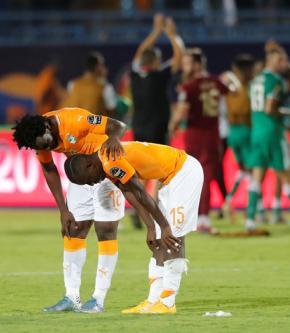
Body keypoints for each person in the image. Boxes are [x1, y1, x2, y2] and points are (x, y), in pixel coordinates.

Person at [64, 141, 203, 314]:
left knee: (172, 235)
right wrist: (151, 226)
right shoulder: (106, 166)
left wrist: (164, 225)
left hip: (184, 173)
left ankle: (168, 302)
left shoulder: (110, 162)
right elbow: (129, 192)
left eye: (89, 180)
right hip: (169, 179)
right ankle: (153, 300)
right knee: (160, 239)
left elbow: (140, 192)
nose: (93, 184)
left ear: (89, 165)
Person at [12, 108, 126, 313]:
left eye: (47, 143)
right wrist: (63, 210)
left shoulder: (75, 120)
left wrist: (113, 139)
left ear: (48, 126)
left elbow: (118, 126)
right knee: (73, 230)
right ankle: (71, 297)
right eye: (42, 147)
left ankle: (98, 299)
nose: (48, 147)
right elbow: (48, 169)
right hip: (80, 174)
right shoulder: (38, 135)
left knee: (105, 230)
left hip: (106, 172)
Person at [247, 47, 290, 231]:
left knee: (257, 176)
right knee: (286, 176)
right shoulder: (276, 82)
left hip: (257, 132)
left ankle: (250, 219)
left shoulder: (254, 81)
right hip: (273, 133)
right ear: (272, 61)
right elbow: (269, 108)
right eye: (281, 61)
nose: (284, 64)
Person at [169, 48, 229, 233]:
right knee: (207, 175)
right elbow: (230, 92)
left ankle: (197, 217)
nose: (184, 67)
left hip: (195, 134)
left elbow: (181, 112)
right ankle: (202, 216)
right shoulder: (217, 82)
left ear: (196, 64)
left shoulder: (189, 87)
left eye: (188, 63)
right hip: (212, 135)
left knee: (193, 176)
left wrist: (172, 126)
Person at [131, 13, 184, 144]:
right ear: (156, 61)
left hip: (138, 128)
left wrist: (156, 31)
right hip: (158, 130)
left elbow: (141, 50)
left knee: (140, 163)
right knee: (159, 164)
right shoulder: (159, 76)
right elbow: (180, 56)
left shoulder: (135, 74)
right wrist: (172, 35)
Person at [220, 54, 255, 220]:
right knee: (255, 170)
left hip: (233, 132)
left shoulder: (228, 85)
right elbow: (245, 110)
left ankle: (228, 201)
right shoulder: (246, 88)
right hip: (246, 131)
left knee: (244, 170)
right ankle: (256, 211)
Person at [62, 52, 117, 117]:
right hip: (95, 126)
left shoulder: (72, 84)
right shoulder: (106, 88)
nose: (104, 68)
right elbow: (112, 112)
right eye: (102, 65)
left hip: (74, 125)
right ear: (98, 67)